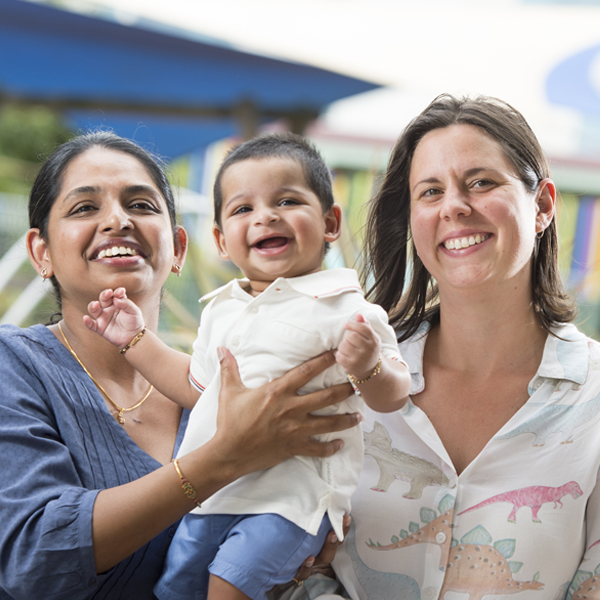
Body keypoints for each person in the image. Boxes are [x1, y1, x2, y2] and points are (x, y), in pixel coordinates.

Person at [0, 131, 362, 600]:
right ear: (41, 252)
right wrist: (221, 458)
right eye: (85, 207)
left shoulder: (227, 382)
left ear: (178, 247)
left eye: (142, 205)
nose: (117, 220)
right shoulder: (16, 366)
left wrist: (291, 554)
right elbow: (34, 560)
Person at [292, 94, 599, 600]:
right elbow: (285, 563)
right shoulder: (344, 376)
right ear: (413, 221)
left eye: (481, 182)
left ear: (542, 205)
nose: (455, 206)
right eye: (430, 192)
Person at [84, 133, 411, 600]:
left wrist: (369, 366)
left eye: (287, 200)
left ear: (331, 222)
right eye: (242, 209)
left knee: (229, 585)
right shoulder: (222, 309)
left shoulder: (347, 309)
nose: (266, 216)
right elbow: (197, 388)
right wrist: (135, 341)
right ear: (220, 240)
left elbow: (395, 392)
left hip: (290, 502)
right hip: (212, 495)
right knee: (177, 588)